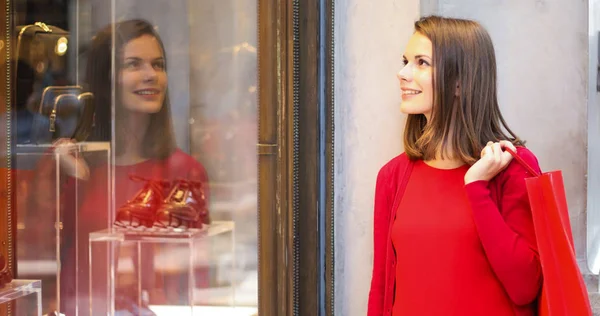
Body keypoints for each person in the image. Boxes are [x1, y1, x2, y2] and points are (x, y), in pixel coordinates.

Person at [367, 16, 542, 316]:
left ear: (460, 81)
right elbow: (382, 289)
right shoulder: (392, 177)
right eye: (405, 60)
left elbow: (525, 287)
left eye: (421, 63)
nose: (402, 73)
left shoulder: (513, 167)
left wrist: (476, 187)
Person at [45, 19, 210, 315]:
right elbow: (48, 255)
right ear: (106, 79)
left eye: (158, 65)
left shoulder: (184, 171)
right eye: (133, 64)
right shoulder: (78, 166)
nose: (151, 75)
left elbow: (195, 276)